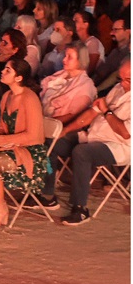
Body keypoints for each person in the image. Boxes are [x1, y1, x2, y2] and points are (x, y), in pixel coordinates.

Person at [48, 59, 130, 225]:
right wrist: (65, 131)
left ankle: (80, 208)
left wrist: (107, 112)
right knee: (52, 141)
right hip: (93, 135)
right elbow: (92, 114)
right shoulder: (118, 89)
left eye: (128, 80)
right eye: (120, 79)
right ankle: (46, 195)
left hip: (119, 146)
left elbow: (125, 133)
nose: (123, 83)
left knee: (82, 152)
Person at [0, 59, 52, 228]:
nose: (2, 72)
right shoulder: (7, 96)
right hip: (10, 146)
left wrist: (3, 140)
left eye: (8, 70)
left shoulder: (29, 98)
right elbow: (2, 127)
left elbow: (35, 136)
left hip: (30, 152)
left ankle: (0, 208)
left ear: (19, 77)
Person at [41, 43, 97, 127]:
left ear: (80, 60)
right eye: (65, 56)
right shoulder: (60, 75)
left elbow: (72, 116)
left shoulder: (85, 86)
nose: (64, 60)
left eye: (69, 57)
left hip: (55, 126)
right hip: (40, 116)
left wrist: (42, 124)